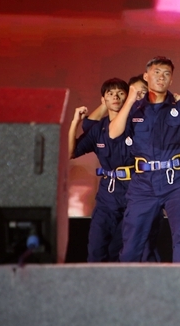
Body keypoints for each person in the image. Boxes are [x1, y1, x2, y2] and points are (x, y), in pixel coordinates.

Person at [109, 56, 180, 262]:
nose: (161, 77)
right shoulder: (134, 108)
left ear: (171, 80)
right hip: (143, 184)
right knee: (132, 243)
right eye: (156, 72)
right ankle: (129, 282)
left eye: (167, 74)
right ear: (146, 76)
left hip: (176, 181)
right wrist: (130, 99)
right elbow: (113, 133)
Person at [69, 78, 132, 262]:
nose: (115, 97)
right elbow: (71, 152)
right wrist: (75, 122)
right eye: (110, 93)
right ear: (103, 100)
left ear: (127, 97)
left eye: (120, 93)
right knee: (96, 247)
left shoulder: (137, 125)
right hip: (107, 195)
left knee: (120, 249)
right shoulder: (98, 129)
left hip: (133, 191)